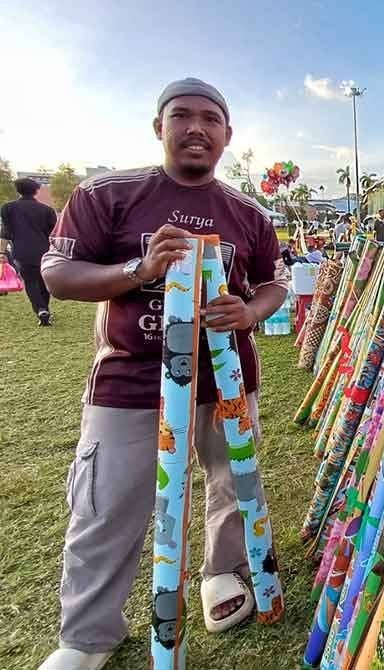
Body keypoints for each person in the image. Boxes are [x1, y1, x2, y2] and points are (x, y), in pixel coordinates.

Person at [37, 78, 289, 670]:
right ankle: (88, 634)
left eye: (210, 119)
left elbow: (274, 282)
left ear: (227, 134)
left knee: (231, 481)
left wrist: (250, 312)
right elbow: (58, 273)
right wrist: (139, 269)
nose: (196, 128)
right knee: (107, 501)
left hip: (226, 380)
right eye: (181, 116)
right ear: (159, 127)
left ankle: (222, 573)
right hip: (130, 382)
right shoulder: (108, 194)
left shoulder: (248, 212)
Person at [1, 177, 58, 325]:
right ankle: (44, 309)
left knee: (30, 282)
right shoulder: (47, 210)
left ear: (17, 190)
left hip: (22, 251)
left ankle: (41, 309)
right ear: (36, 190)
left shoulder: (7, 208)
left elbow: (5, 233)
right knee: (43, 282)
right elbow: (54, 233)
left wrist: (1, 252)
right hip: (45, 251)